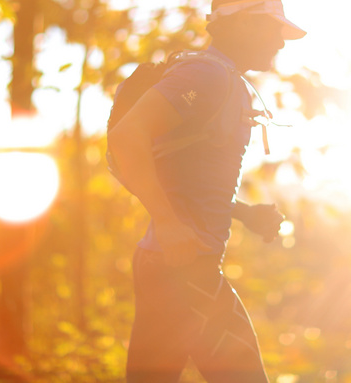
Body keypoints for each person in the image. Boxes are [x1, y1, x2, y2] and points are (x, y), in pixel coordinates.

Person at [107, 0, 306, 381]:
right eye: (271, 28)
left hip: (168, 266)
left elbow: (188, 179)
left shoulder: (222, 79)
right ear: (243, 24)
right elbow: (126, 136)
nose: (280, 42)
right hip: (182, 272)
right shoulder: (206, 77)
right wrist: (167, 223)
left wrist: (242, 212)